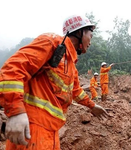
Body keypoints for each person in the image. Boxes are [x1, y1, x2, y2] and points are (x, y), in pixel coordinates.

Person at [0, 15, 108, 150]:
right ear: (80, 32)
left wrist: (92, 106)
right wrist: (16, 112)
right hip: (34, 128)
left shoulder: (70, 64)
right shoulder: (52, 43)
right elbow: (12, 69)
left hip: (52, 131)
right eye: (90, 36)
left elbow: (76, 91)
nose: (90, 42)